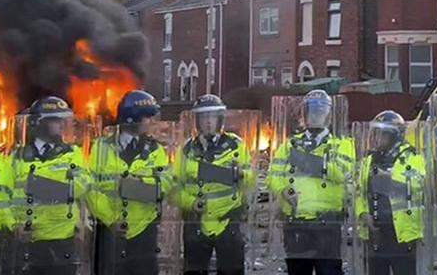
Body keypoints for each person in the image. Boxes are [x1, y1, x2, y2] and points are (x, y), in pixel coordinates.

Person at [0, 96, 92, 275]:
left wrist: (41, 187)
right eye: (55, 120)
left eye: (63, 120)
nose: (62, 125)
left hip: (63, 237)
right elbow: (0, 194)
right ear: (39, 122)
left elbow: (82, 184)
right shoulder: (17, 157)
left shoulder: (72, 153)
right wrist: (13, 225)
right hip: (27, 238)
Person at [266, 89, 355, 275]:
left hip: (327, 223)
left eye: (320, 112)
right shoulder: (290, 145)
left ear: (328, 116)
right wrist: (283, 189)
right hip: (295, 222)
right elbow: (273, 175)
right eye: (312, 111)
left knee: (329, 271)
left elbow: (341, 174)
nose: (316, 116)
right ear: (304, 115)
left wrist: (306, 161)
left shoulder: (342, 144)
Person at [89, 90, 170, 275]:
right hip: (110, 233)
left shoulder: (156, 150)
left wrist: (135, 185)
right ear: (131, 119)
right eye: (147, 117)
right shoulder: (102, 148)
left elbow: (165, 186)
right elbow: (91, 189)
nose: (151, 122)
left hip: (145, 231)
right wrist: (110, 219)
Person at [173, 94, 253, 275]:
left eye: (212, 117)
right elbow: (174, 188)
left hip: (228, 222)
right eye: (204, 117)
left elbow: (251, 178)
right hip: (197, 223)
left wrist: (240, 174)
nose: (208, 122)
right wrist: (192, 203)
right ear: (197, 121)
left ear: (219, 119)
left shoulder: (235, 145)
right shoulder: (186, 150)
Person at [355, 111, 424, 275]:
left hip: (401, 233)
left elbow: (419, 185)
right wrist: (363, 213)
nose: (377, 138)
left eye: (382, 133)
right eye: (375, 133)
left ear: (394, 135)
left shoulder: (412, 156)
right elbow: (360, 191)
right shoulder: (370, 160)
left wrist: (390, 178)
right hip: (375, 232)